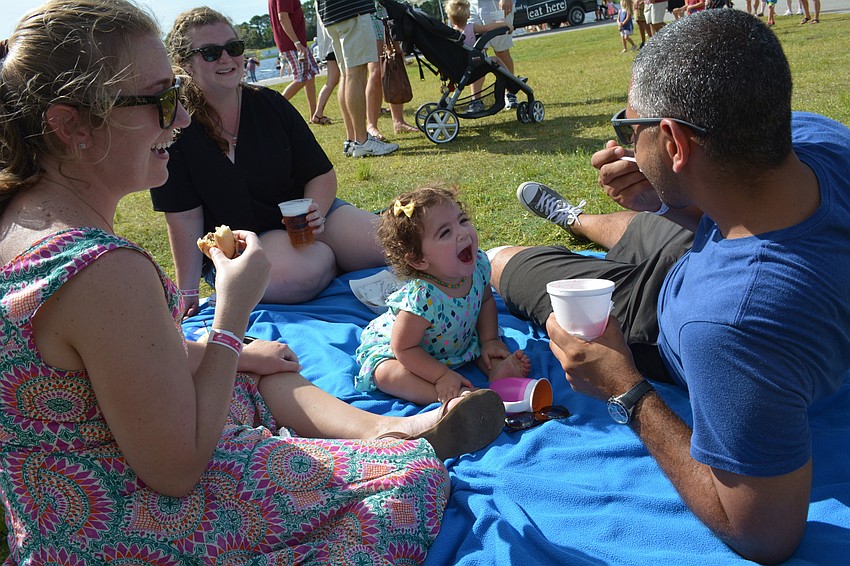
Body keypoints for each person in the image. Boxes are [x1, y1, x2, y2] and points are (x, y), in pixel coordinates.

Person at [0, 0, 507, 561]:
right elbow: (176, 470)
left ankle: (383, 431)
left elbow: (105, 366)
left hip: (56, 509)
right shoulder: (104, 270)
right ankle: (399, 449)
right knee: (409, 482)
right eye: (161, 100)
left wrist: (234, 354)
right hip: (124, 527)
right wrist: (231, 317)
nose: (183, 119)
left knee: (258, 369)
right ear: (72, 125)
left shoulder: (21, 224)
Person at [490, 10, 850, 563]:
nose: (627, 142)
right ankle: (577, 219)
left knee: (507, 260)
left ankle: (548, 241)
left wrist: (624, 390)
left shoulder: (729, 322)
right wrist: (666, 192)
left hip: (652, 314)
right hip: (705, 242)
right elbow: (738, 215)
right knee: (650, 224)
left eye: (631, 128)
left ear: (675, 142)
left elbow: (764, 533)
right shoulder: (818, 139)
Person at [150, 7, 387, 313]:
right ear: (186, 65)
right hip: (245, 246)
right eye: (210, 53)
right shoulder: (178, 129)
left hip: (309, 221)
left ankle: (339, 255)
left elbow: (321, 174)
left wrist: (316, 212)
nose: (226, 58)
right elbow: (183, 217)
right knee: (298, 274)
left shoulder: (269, 104)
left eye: (233, 48)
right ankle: (334, 259)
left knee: (395, 244)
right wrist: (188, 293)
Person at [356, 186, 531, 405]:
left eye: (462, 220)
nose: (462, 233)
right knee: (386, 375)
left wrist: (489, 340)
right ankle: (458, 397)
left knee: (489, 351)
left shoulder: (477, 266)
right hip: (411, 353)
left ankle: (497, 372)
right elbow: (403, 348)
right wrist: (440, 375)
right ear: (419, 261)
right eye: (445, 232)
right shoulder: (422, 298)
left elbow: (486, 300)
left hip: (460, 343)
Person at [316, 0, 399, 157]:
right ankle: (362, 141)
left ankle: (352, 139)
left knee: (347, 74)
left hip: (330, 13)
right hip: (352, 11)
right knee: (356, 74)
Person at [445, 0, 513, 115]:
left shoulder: (450, 33)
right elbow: (488, 28)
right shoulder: (471, 28)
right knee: (496, 59)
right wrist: (504, 24)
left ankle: (476, 101)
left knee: (500, 50)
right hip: (476, 65)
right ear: (468, 16)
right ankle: (512, 82)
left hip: (462, 68)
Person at [365, 2, 418, 140]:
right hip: (368, 13)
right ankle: (371, 126)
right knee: (376, 70)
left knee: (394, 63)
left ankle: (398, 122)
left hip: (387, 10)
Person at [269, 0, 320, 120]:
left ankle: (315, 115)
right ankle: (270, 109)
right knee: (301, 79)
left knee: (310, 75)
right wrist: (296, 42)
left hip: (298, 42)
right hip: (292, 44)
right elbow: (283, 17)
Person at [470, 0, 519, 110]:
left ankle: (510, 93)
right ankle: (476, 100)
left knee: (502, 51)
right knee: (477, 53)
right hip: (472, 4)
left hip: (495, 4)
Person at [311, 3, 338, 126]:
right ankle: (317, 114)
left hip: (328, 44)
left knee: (332, 80)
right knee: (352, 76)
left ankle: (318, 114)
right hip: (334, 41)